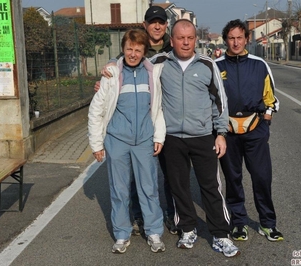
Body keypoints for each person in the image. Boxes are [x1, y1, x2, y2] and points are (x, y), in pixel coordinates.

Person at [151, 19, 240, 258]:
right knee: (178, 187)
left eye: (190, 37)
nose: (186, 42)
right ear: (172, 41)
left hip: (203, 136)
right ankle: (187, 229)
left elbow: (220, 103)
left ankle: (221, 234)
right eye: (181, 38)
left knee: (211, 187)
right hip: (172, 138)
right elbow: (129, 65)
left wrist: (221, 134)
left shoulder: (207, 65)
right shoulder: (159, 63)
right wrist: (108, 73)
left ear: (195, 39)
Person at [94, 5, 177, 236]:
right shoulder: (134, 50)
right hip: (141, 126)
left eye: (161, 21)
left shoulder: (174, 47)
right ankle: (139, 216)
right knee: (135, 179)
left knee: (168, 175)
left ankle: (171, 214)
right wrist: (107, 71)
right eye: (153, 22)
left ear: (166, 25)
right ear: (145, 25)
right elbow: (117, 64)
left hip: (166, 122)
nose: (157, 25)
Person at [88, 29, 166, 254]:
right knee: (119, 190)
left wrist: (158, 136)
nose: (133, 54)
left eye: (138, 50)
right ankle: (122, 233)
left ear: (144, 51)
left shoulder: (152, 72)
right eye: (129, 49)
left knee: (149, 188)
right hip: (117, 140)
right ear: (123, 49)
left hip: (144, 139)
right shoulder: (112, 73)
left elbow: (157, 107)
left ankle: (153, 231)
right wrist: (96, 144)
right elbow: (97, 110)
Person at [214, 19, 283, 242]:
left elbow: (271, 98)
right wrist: (219, 130)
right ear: (226, 40)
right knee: (233, 180)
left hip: (255, 132)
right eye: (231, 38)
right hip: (228, 133)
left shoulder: (259, 64)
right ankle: (239, 223)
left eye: (239, 38)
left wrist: (265, 122)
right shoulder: (216, 66)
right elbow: (211, 99)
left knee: (262, 178)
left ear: (247, 39)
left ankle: (268, 224)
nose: (235, 42)